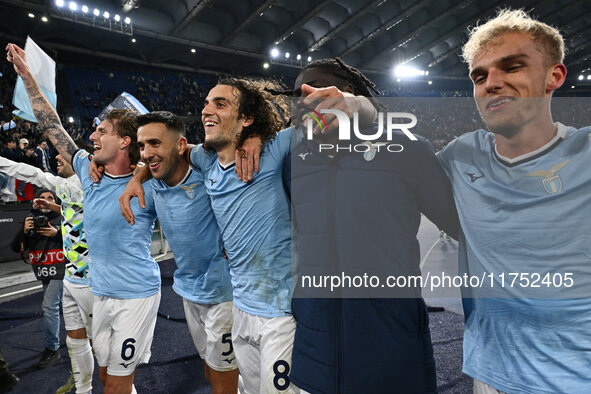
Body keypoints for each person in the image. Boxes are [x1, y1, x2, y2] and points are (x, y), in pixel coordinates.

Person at [437, 9, 591, 393]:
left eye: (512, 67)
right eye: (480, 76)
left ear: (553, 76)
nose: (492, 83)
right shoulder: (460, 155)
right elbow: (384, 165)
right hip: (490, 375)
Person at [283, 58, 458, 393]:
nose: (306, 102)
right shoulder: (292, 158)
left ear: (348, 94)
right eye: (299, 97)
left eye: (316, 91)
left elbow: (461, 223)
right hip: (314, 353)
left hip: (391, 352)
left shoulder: (407, 148)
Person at [7, 43, 160, 394]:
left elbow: (181, 150)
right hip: (100, 292)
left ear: (125, 141)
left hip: (136, 294)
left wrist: (141, 173)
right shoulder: (85, 172)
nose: (92, 136)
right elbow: (51, 124)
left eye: (101, 131)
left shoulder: (152, 181)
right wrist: (27, 76)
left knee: (116, 384)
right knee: (108, 378)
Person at [135, 111, 239, 393]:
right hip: (189, 290)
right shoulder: (152, 181)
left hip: (225, 292)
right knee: (210, 369)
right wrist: (138, 176)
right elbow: (142, 166)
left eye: (155, 143)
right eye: (142, 145)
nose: (146, 153)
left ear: (180, 145)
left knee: (224, 377)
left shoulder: (209, 172)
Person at [0, 144, 94, 394]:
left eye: (62, 154)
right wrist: (55, 208)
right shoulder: (63, 186)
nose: (55, 157)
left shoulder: (94, 183)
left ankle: (115, 382)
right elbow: (26, 171)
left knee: (100, 342)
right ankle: (82, 384)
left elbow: (89, 215)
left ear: (81, 161)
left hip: (94, 277)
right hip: (72, 277)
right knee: (75, 340)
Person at [10, 188, 65, 369]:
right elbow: (14, 248)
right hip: (44, 272)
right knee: (62, 307)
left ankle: (52, 349)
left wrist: (57, 234)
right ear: (37, 201)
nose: (46, 201)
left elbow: (82, 239)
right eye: (43, 198)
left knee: (50, 307)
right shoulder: (32, 220)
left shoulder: (63, 218)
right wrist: (24, 231)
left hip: (63, 270)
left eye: (50, 198)